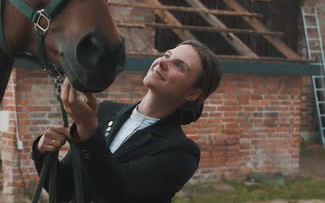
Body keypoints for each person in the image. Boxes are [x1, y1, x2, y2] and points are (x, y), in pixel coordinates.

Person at [31, 40, 222, 203]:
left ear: (192, 93)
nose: (163, 63)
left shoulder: (182, 153)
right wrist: (42, 152)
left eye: (179, 66)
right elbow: (63, 190)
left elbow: (116, 190)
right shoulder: (104, 113)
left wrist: (89, 132)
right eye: (166, 55)